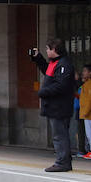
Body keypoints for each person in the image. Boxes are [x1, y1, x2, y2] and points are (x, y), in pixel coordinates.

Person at [30, 38, 76, 172]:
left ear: (55, 50)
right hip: (55, 106)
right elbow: (47, 71)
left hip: (59, 106)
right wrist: (38, 58)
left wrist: (43, 92)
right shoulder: (55, 63)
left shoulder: (64, 65)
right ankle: (64, 160)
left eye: (48, 49)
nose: (46, 51)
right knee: (60, 134)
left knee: (59, 135)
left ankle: (62, 162)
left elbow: (61, 85)